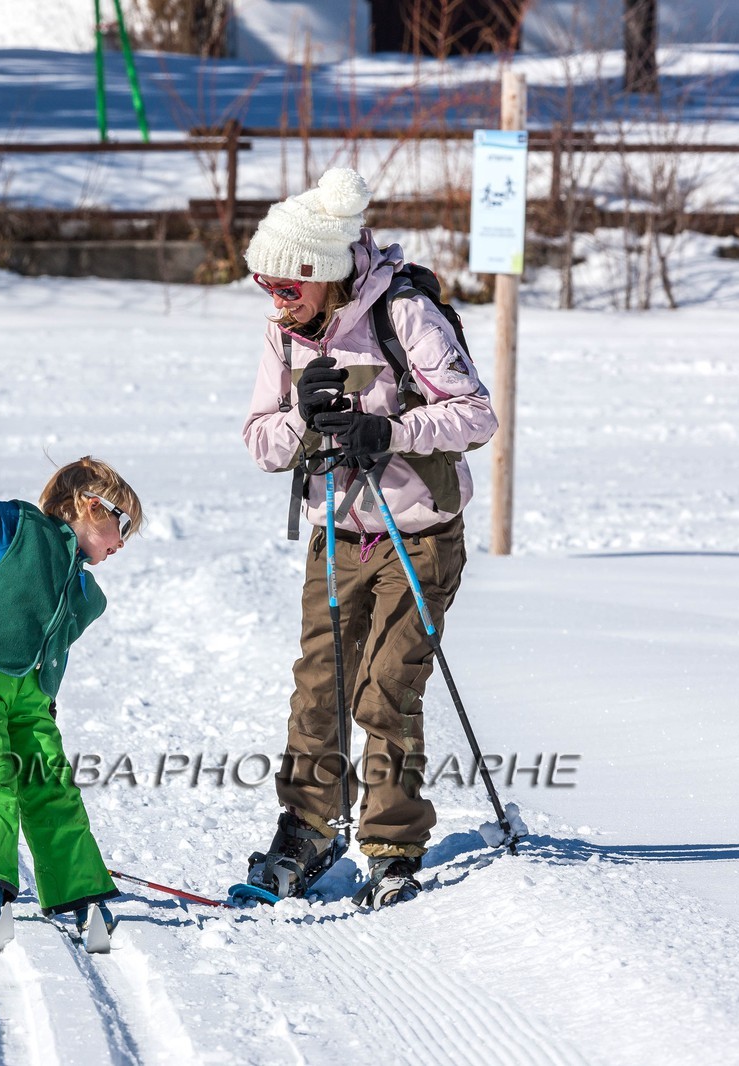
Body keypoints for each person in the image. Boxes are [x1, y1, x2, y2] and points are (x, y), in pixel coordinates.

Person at [239, 168, 497, 908]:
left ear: (321, 274)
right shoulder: (283, 337)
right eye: (265, 286)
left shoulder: (405, 314)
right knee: (319, 687)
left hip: (417, 535)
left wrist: (389, 429)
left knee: (387, 688)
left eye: (287, 287)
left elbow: (476, 416)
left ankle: (391, 841)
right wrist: (305, 422)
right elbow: (260, 443)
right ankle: (310, 826)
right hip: (336, 533)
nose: (276, 300)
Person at [0, 394, 142, 946]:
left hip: (31, 696)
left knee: (51, 784)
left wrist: (47, 696)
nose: (123, 542)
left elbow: (57, 646)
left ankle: (77, 892)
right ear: (87, 507)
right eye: (121, 525)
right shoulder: (21, 528)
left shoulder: (85, 592)